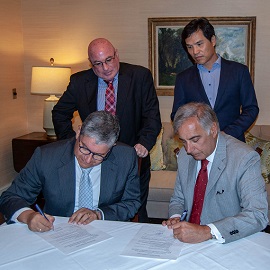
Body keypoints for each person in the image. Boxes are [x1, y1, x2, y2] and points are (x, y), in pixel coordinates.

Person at [52, 38, 161, 222]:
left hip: (132, 157)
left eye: (109, 60)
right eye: (98, 63)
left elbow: (152, 116)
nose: (105, 68)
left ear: (116, 54)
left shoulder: (140, 76)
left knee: (134, 210)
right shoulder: (80, 82)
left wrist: (144, 142)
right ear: (91, 63)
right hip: (93, 158)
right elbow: (59, 113)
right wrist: (74, 143)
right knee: (96, 208)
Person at [0, 111, 141, 232]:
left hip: (107, 232)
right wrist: (29, 216)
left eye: (99, 155)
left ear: (112, 146)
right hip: (57, 232)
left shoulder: (126, 157)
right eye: (84, 148)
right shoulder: (46, 157)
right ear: (78, 132)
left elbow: (131, 202)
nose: (88, 159)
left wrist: (99, 215)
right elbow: (11, 197)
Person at [163, 102, 268, 244]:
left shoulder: (244, 158)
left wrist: (207, 231)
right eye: (183, 141)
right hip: (187, 242)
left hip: (226, 242)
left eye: (194, 140)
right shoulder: (184, 155)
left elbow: (258, 215)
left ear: (213, 129)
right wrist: (176, 217)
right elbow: (178, 199)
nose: (188, 149)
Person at [171, 17, 259, 142]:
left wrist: (227, 133)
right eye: (189, 47)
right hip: (198, 147)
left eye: (199, 44)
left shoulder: (239, 71)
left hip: (233, 143)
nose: (195, 51)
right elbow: (177, 115)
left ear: (213, 40)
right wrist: (197, 134)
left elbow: (251, 109)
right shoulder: (183, 78)